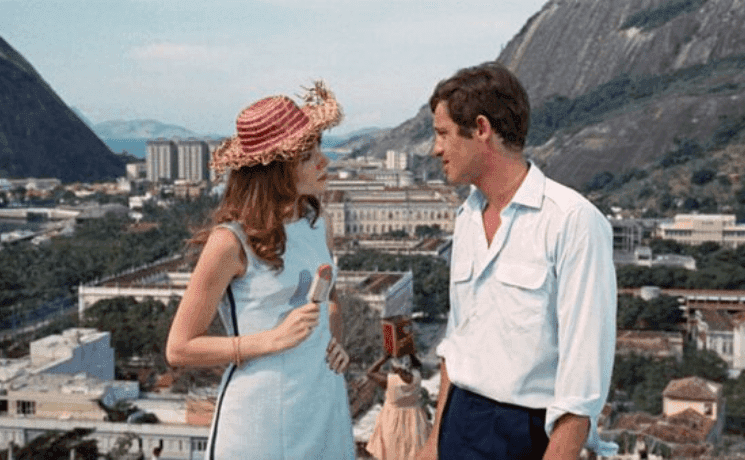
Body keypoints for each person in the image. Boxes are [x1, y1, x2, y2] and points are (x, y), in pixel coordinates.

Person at [416, 62, 617, 460]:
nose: (436, 149)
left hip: (526, 434)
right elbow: (457, 345)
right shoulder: (467, 218)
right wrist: (434, 443)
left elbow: (581, 386)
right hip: (459, 422)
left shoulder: (572, 221)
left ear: (481, 129)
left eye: (443, 134)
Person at [165, 81, 355, 459]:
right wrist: (272, 340)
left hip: (325, 402)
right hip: (259, 419)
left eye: (319, 149)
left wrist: (332, 341)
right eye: (307, 156)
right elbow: (179, 348)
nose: (324, 162)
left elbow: (328, 300)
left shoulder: (319, 225)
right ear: (275, 171)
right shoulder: (229, 242)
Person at [365, 353, 432, 460]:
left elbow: (370, 372)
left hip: (393, 423)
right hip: (416, 422)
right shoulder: (417, 376)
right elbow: (417, 364)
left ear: (395, 366)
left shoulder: (389, 381)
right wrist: (409, 351)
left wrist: (384, 357)